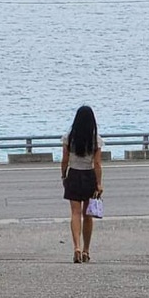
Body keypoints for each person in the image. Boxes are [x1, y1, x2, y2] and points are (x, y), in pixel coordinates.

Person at [61, 105, 103, 263]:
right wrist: (99, 183)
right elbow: (97, 164)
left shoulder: (68, 138)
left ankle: (76, 247)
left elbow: (64, 160)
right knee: (88, 215)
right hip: (89, 176)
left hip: (74, 174)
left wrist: (63, 175)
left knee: (75, 213)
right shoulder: (96, 140)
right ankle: (86, 250)